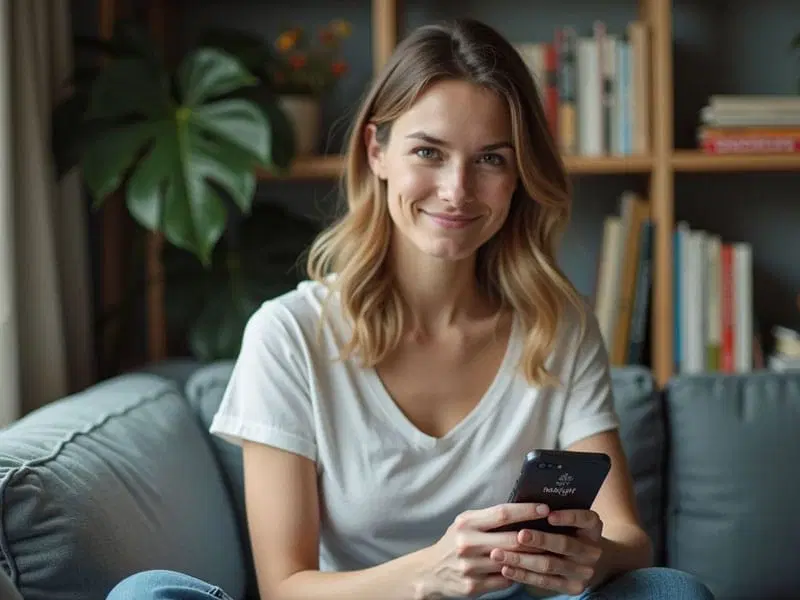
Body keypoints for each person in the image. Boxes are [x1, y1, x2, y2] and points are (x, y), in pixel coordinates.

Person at [107, 17, 715, 600]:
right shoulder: (289, 334)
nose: (457, 190)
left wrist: (591, 557)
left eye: (491, 159)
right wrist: (430, 574)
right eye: (429, 152)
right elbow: (285, 588)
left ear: (519, 176)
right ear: (377, 150)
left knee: (671, 591)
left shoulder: (557, 326)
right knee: (145, 595)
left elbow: (630, 540)